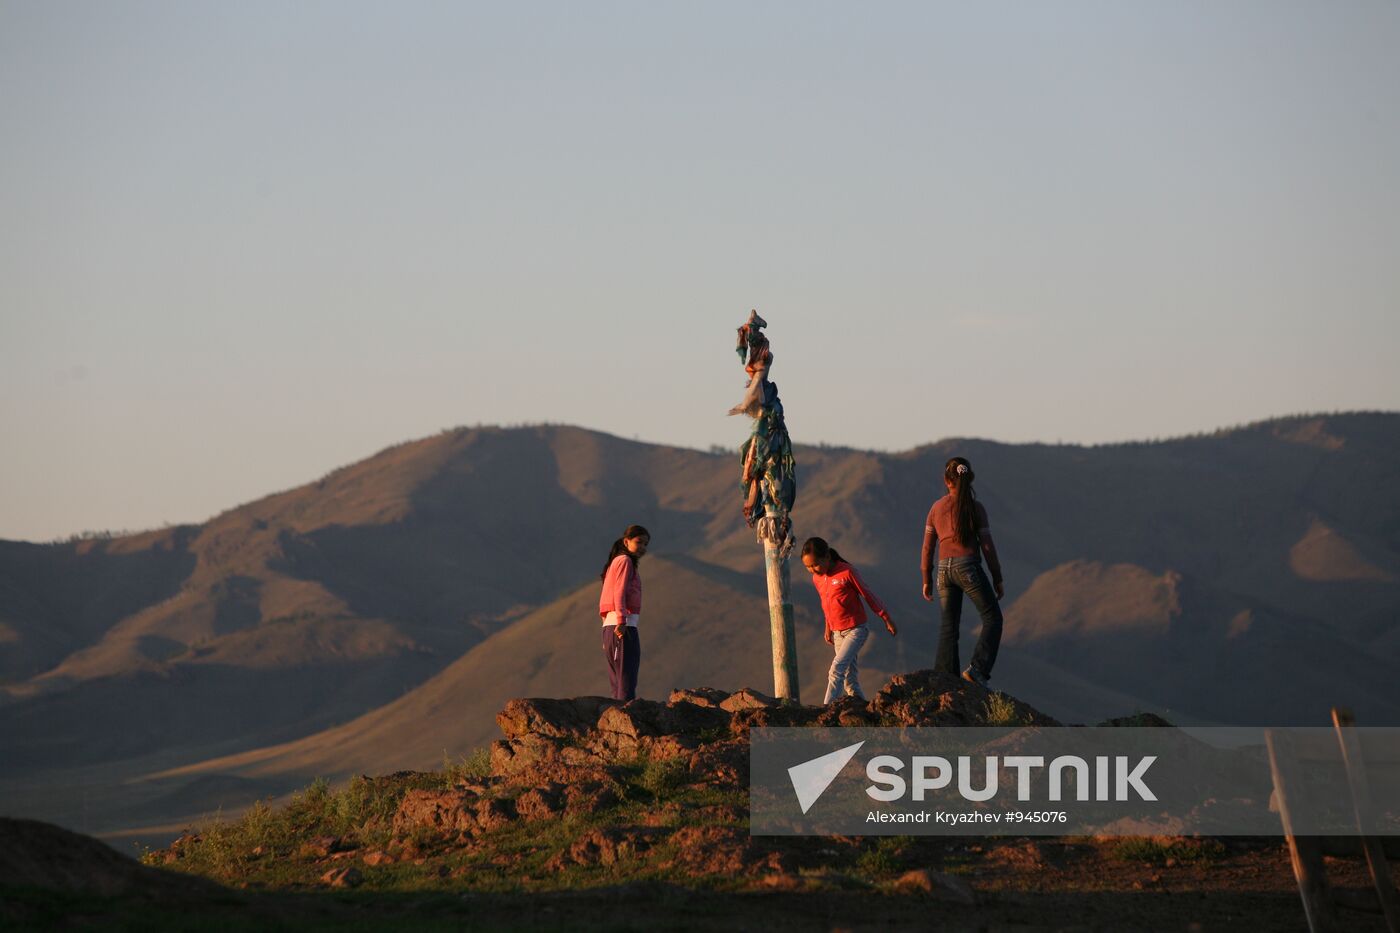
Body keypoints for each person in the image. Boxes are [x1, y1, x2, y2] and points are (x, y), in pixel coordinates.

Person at [920, 457, 1005, 687]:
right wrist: (997, 578)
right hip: (968, 567)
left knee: (949, 627)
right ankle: (977, 671)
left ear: (947, 480)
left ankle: (945, 680)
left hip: (943, 572)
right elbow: (987, 546)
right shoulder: (976, 508)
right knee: (993, 618)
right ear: (970, 478)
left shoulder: (936, 508)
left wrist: (926, 577)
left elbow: (928, 548)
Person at [801, 536, 897, 704]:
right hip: (838, 633)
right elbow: (826, 603)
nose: (813, 570)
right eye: (808, 567)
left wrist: (886, 617)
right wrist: (828, 627)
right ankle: (864, 712)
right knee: (849, 680)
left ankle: (827, 708)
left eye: (815, 564)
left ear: (827, 557)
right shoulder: (817, 579)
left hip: (856, 629)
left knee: (836, 669)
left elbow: (868, 595)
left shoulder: (847, 572)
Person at [599, 525, 650, 701]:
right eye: (639, 542)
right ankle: (626, 720)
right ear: (626, 541)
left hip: (612, 626)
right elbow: (618, 592)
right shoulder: (624, 561)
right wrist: (621, 620)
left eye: (645, 544)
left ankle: (618, 720)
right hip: (623, 626)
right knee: (626, 680)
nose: (643, 547)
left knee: (619, 682)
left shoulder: (618, 562)